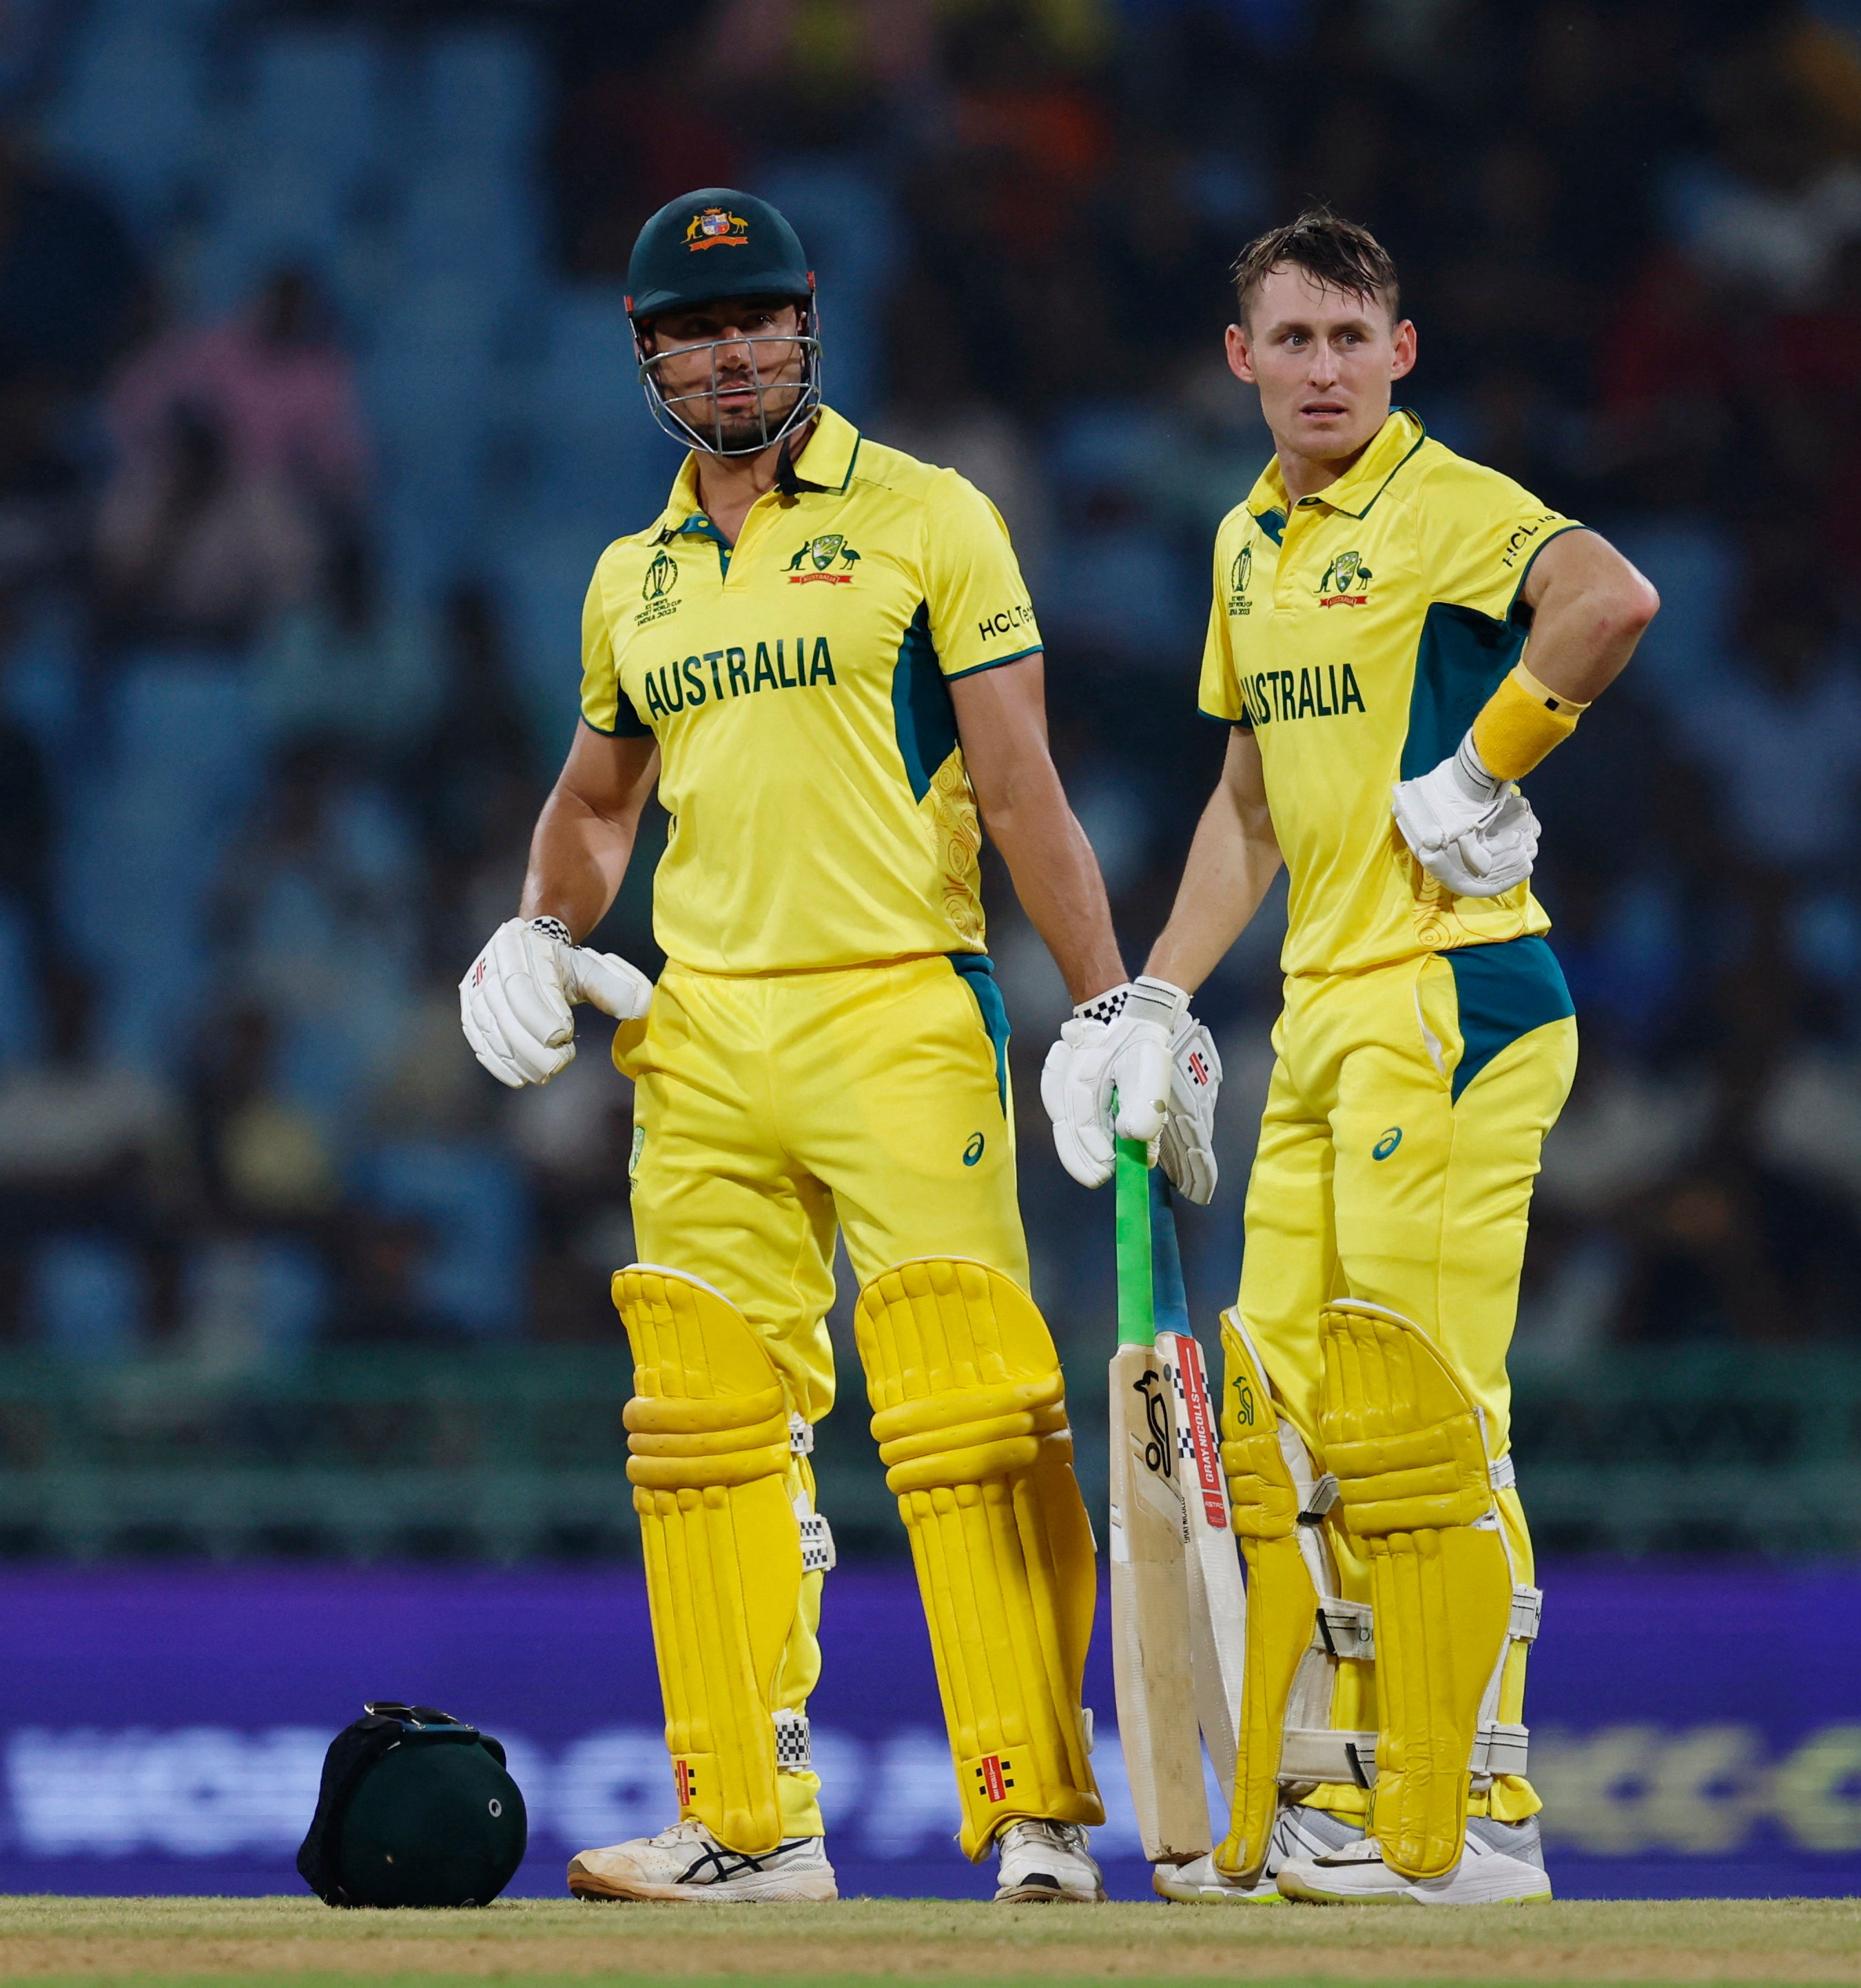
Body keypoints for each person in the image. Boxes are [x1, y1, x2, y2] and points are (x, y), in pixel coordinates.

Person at [455, 189, 1190, 1906]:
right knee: (702, 1430)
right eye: (696, 330)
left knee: (972, 1414)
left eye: (760, 318)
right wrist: (542, 931)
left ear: (809, 328)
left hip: (897, 1006)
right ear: (648, 357)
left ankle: (1031, 1812)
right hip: (699, 1034)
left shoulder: (933, 519)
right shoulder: (629, 577)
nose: (732, 352)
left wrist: (1106, 996)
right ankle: (747, 1826)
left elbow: (1021, 789)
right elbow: (593, 800)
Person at [1133, 208, 1658, 1905]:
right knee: (1280, 1419)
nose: (1323, 369)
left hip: (1457, 994)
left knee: (1430, 1418)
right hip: (1322, 1013)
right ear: (1242, 360)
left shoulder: (1447, 505)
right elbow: (1244, 810)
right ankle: (1343, 1802)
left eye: (1352, 338)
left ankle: (1483, 1813)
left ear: (1402, 350)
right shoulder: (1243, 546)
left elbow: (1608, 599)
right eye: (1291, 340)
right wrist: (1151, 1000)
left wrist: (1493, 763)